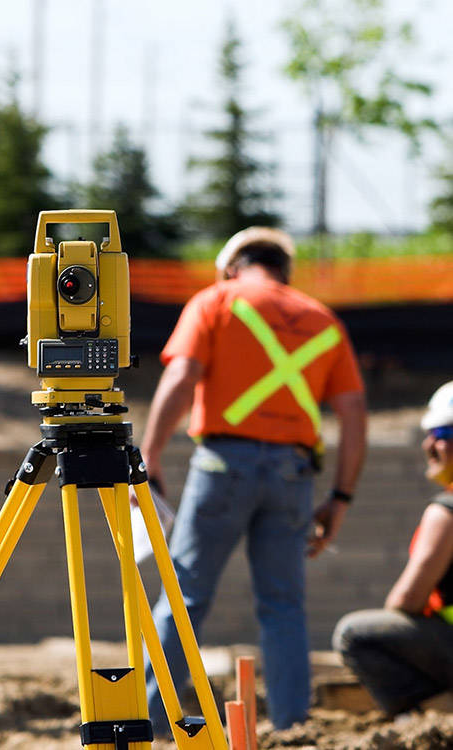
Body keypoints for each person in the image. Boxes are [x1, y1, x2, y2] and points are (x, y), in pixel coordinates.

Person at [140, 226, 367, 733]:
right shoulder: (322, 320)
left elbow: (181, 377)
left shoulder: (216, 300)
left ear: (230, 266)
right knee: (283, 604)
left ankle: (149, 723)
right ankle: (292, 727)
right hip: (293, 474)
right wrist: (342, 497)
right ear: (284, 270)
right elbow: (353, 413)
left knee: (185, 594)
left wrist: (149, 456)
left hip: (223, 466)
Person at [333, 381, 453, 716]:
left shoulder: (446, 512)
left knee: (356, 634)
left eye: (442, 432)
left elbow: (407, 600)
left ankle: (437, 715)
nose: (429, 444)